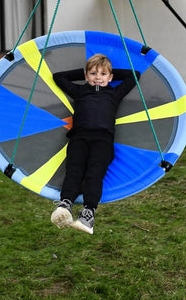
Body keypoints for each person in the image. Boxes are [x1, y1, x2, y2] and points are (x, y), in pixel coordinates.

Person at [50, 54, 141, 234]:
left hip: (103, 141)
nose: (98, 77)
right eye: (93, 73)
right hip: (79, 138)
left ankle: (88, 214)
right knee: (74, 170)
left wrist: (109, 71)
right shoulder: (79, 91)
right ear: (86, 76)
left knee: (94, 174)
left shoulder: (115, 93)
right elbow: (58, 77)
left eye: (103, 74)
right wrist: (85, 72)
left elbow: (134, 75)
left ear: (110, 77)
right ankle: (65, 205)